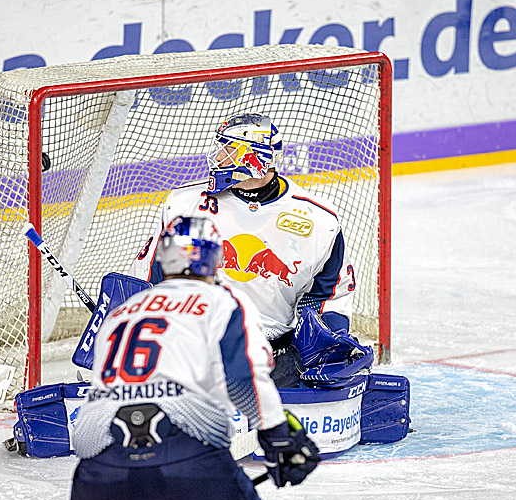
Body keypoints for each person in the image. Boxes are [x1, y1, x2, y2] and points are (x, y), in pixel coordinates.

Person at [30, 216, 329, 500]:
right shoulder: (224, 301)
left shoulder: (120, 313)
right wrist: (281, 439)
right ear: (215, 260)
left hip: (102, 463)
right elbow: (246, 379)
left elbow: (119, 399)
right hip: (191, 459)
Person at [130, 112, 359, 388]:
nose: (218, 159)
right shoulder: (183, 205)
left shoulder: (320, 220)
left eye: (228, 150)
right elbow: (147, 280)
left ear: (254, 157)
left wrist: (329, 338)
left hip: (276, 359)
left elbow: (330, 294)